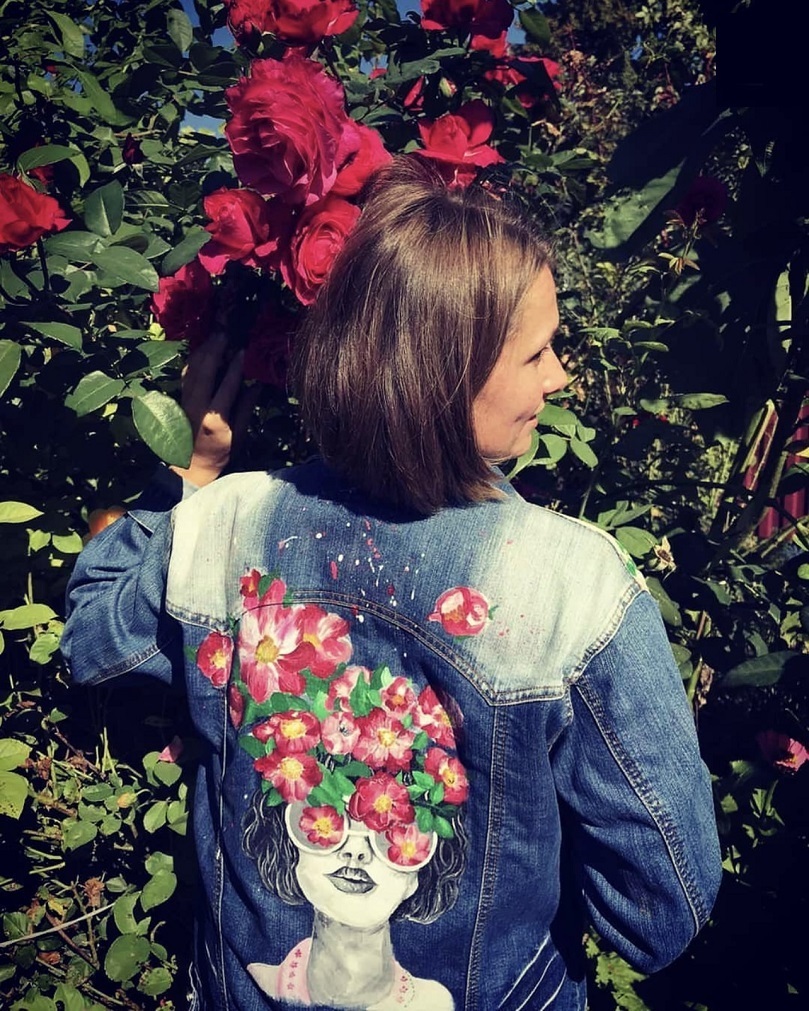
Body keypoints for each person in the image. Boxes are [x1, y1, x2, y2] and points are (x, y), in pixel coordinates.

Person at [62, 157, 722, 1011]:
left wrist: (184, 477)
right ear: (442, 372)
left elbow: (92, 639)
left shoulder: (223, 525)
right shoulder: (571, 586)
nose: (558, 376)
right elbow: (662, 909)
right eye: (536, 352)